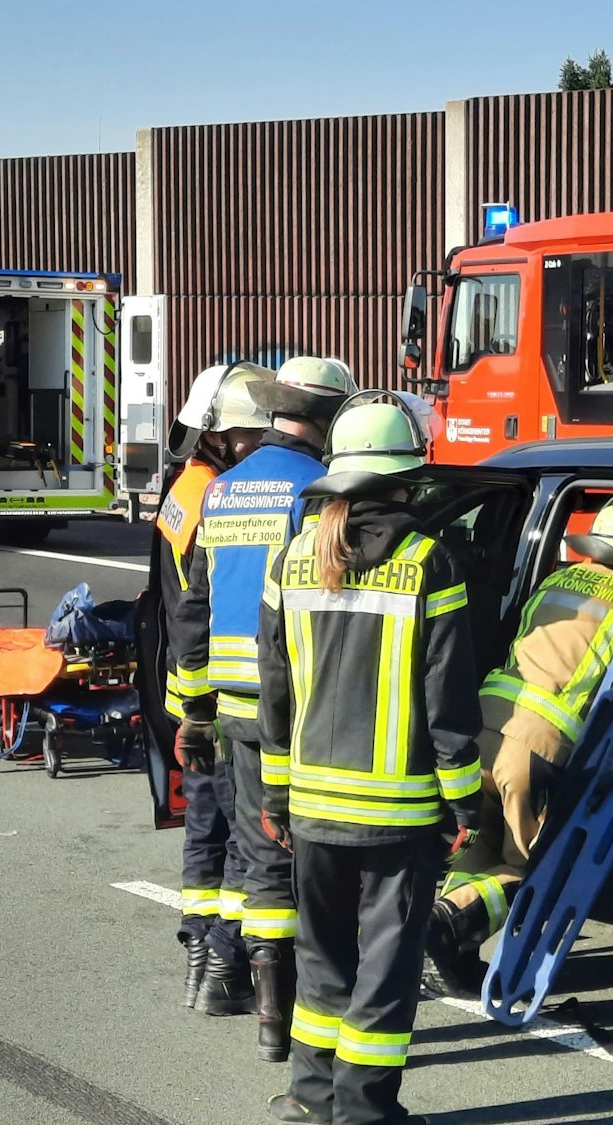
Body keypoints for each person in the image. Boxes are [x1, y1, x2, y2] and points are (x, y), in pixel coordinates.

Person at [256, 396, 483, 1125]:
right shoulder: (429, 562)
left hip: (313, 806)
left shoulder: (292, 557)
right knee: (384, 971)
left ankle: (310, 1097)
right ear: (406, 480)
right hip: (398, 814)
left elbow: (275, 689)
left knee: (323, 961)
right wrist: (465, 801)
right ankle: (365, 1110)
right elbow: (446, 701)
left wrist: (274, 793)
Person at [170, 354, 357, 1060]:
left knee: (259, 857)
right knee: (318, 860)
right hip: (303, 705)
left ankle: (270, 1019)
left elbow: (193, 610)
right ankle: (316, 1011)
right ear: (330, 415)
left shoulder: (222, 492)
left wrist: (194, 708)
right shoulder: (321, 491)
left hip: (234, 708)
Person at [422, 496, 613, 998]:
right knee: (528, 869)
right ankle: (444, 926)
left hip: (482, 722)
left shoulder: (555, 582)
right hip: (536, 745)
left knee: (478, 845)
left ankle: (454, 954)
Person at [146, 362, 274, 1013]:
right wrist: (202, 708)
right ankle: (221, 951)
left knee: (207, 823)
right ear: (220, 436)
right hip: (213, 698)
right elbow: (197, 606)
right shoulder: (211, 496)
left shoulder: (183, 488)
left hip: (186, 690)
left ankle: (200, 942)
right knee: (238, 831)